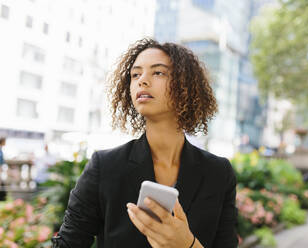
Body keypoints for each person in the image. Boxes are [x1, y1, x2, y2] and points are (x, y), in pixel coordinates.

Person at [52, 38, 238, 247]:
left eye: (158, 72)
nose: (142, 80)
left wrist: (187, 244)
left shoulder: (218, 172)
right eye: (135, 74)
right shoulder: (105, 167)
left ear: (186, 85)